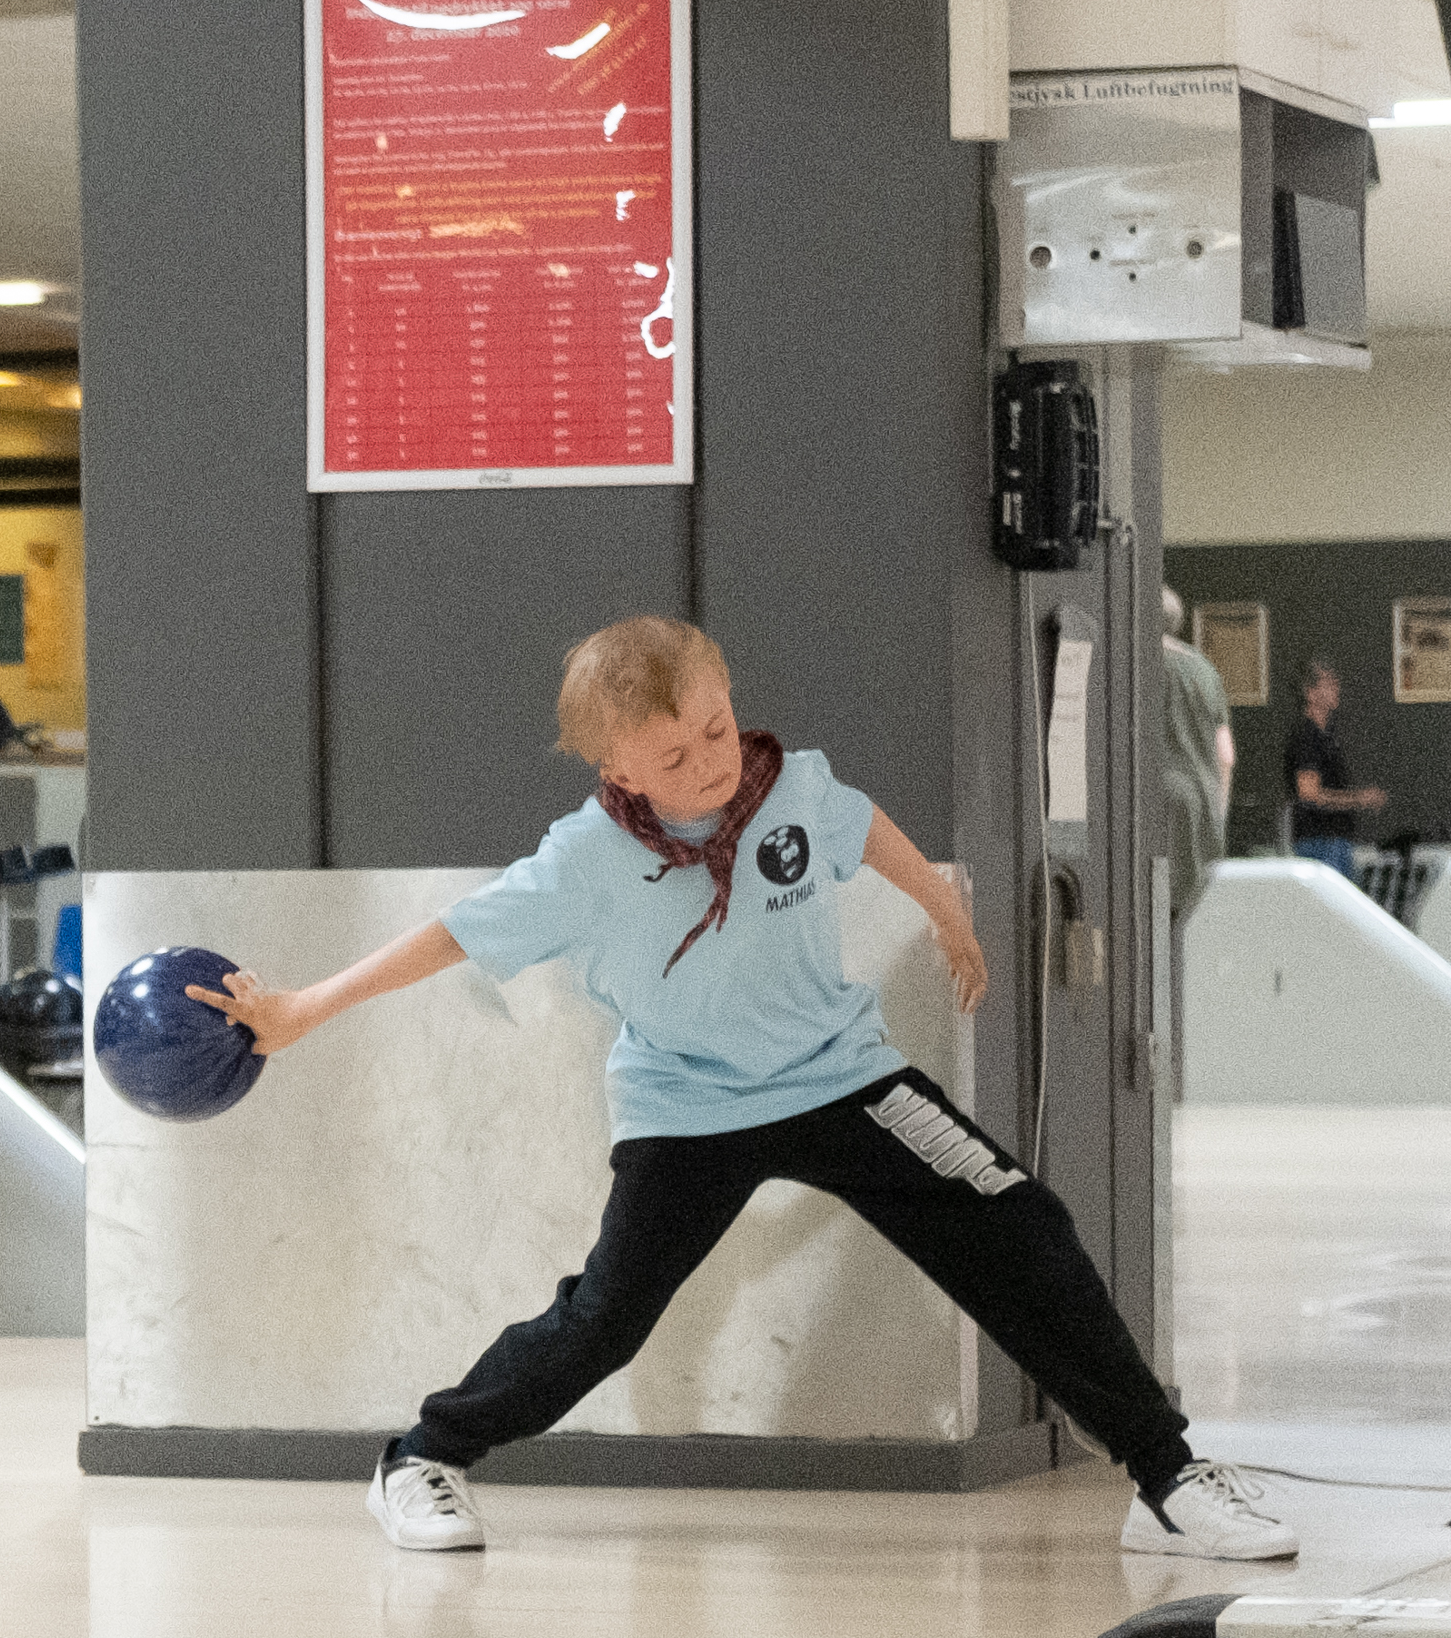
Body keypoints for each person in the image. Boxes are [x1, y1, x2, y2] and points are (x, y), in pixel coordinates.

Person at [191, 615, 1295, 1566]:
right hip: (688, 1108)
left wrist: (945, 913)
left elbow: (865, 830)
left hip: (845, 1081)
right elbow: (443, 939)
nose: (708, 764)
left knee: (1019, 1225)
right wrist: (299, 1009)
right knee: (605, 1321)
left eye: (714, 729)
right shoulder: (581, 861)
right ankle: (423, 1457)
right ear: (618, 771)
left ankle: (1168, 1479)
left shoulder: (793, 790)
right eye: (670, 756)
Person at [1161, 590, 1231, 924]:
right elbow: (1226, 755)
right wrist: (1217, 814)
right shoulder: (1205, 670)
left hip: (1159, 805)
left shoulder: (1139, 664)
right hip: (1201, 804)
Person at [1287, 659, 1381, 881]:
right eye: (1329, 683)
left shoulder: (1324, 737)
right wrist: (1360, 799)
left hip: (1334, 841)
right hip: (1320, 843)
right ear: (1310, 693)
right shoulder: (1307, 739)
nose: (1336, 688)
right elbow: (1310, 793)